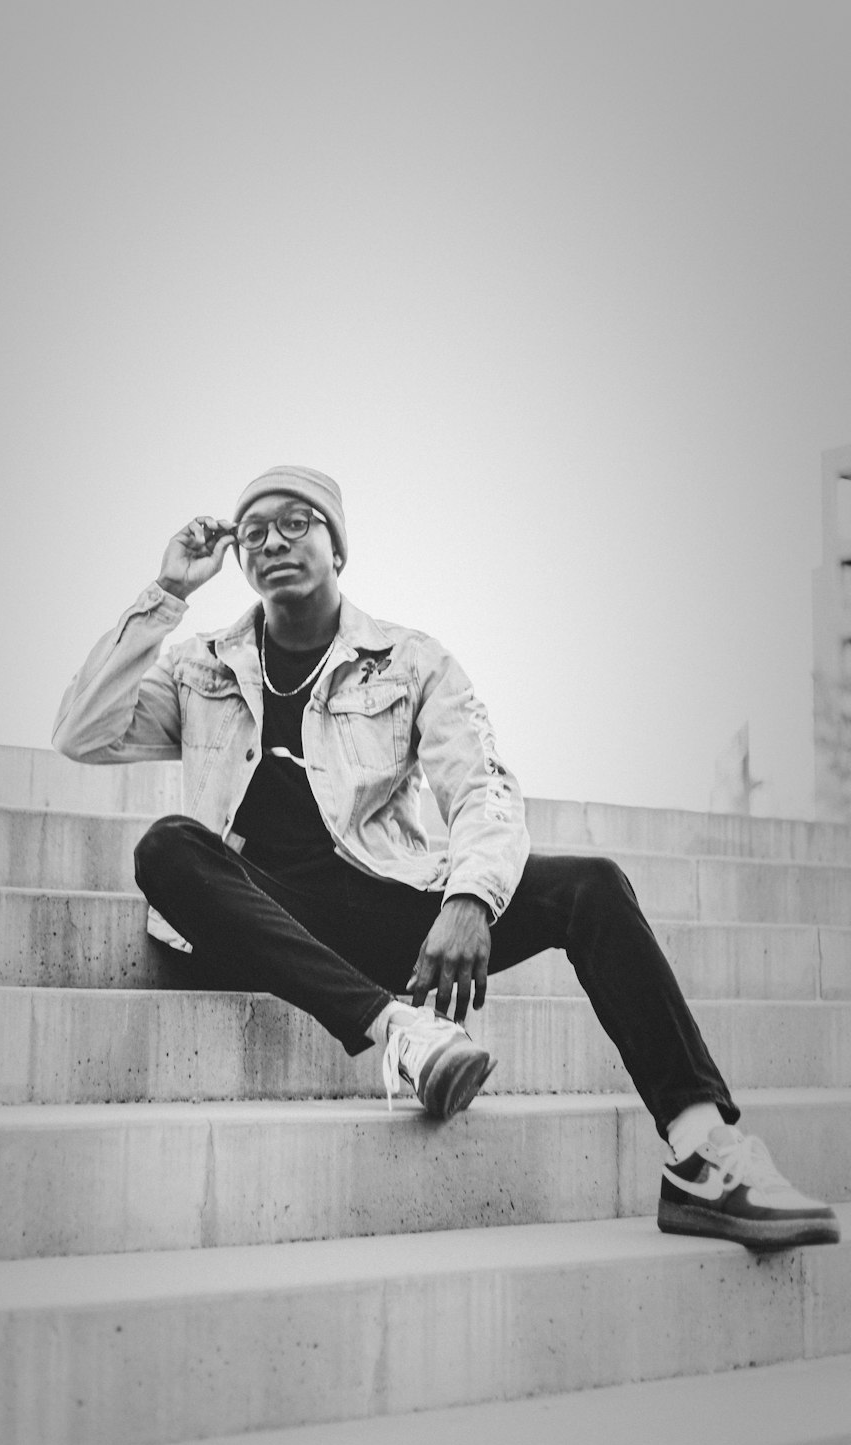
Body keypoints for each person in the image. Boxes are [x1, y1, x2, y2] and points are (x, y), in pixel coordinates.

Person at [53, 464, 839, 1251]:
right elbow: (84, 732)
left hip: (374, 915)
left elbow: (484, 789)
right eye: (253, 531)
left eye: (297, 522)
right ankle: (401, 1033)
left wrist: (469, 899)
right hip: (247, 925)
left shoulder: (410, 661)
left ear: (338, 546)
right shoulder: (202, 666)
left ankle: (703, 1151)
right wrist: (167, 590)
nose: (272, 541)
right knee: (167, 846)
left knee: (590, 885)